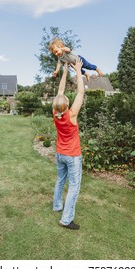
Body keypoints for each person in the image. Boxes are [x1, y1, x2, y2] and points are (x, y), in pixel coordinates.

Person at [52, 58, 84, 230]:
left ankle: (57, 206)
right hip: (72, 155)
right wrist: (77, 70)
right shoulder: (71, 115)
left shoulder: (55, 112)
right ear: (66, 104)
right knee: (74, 186)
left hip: (59, 153)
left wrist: (65, 69)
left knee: (60, 180)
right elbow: (80, 92)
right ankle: (66, 219)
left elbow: (60, 90)